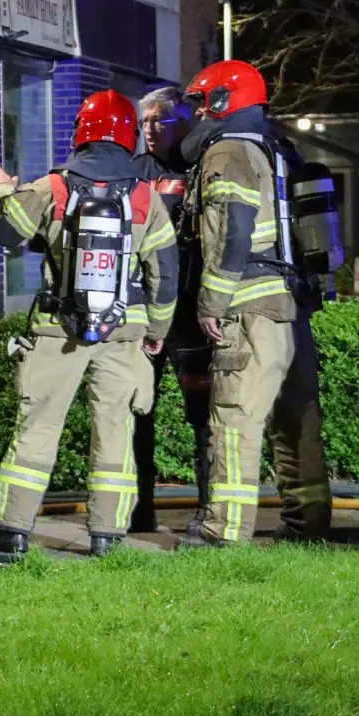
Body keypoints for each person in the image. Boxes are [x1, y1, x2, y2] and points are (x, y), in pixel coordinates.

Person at [0, 89, 180, 556]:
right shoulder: (145, 197)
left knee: (37, 426)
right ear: (129, 136)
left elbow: (3, 233)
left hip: (57, 328)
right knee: (114, 431)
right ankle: (107, 536)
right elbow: (165, 274)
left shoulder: (52, 187)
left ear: (81, 131)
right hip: (124, 332)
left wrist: (3, 191)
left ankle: (12, 531)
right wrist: (157, 331)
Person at [180, 60, 335, 546]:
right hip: (293, 308)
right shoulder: (279, 148)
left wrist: (211, 302)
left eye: (203, 101)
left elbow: (233, 231)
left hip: (251, 308)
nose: (198, 112)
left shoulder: (227, 152)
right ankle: (308, 526)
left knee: (234, 420)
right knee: (297, 422)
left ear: (225, 100)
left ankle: (223, 532)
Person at [129, 86, 212, 536]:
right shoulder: (135, 172)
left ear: (184, 122)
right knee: (138, 410)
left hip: (191, 315)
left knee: (204, 416)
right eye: (144, 121)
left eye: (158, 119)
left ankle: (209, 510)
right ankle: (139, 510)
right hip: (145, 313)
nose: (149, 128)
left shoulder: (201, 168)